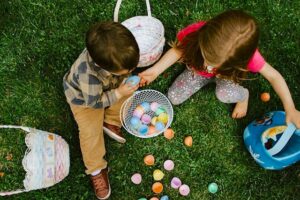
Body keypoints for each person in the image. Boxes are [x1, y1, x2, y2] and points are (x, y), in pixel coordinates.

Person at [139, 10, 300, 128]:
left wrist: (290, 108)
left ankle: (244, 96)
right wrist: (155, 70)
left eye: (215, 63)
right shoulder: (198, 31)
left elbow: (274, 77)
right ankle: (204, 78)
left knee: (223, 94)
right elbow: (178, 50)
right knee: (173, 97)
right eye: (207, 55)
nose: (209, 65)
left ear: (239, 62)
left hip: (226, 77)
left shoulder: (250, 57)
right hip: (196, 71)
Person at [63, 21, 139, 199]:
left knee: (131, 93)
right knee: (90, 132)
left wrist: (124, 82)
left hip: (108, 85)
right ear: (106, 67)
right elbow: (95, 103)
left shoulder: (113, 55)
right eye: (128, 69)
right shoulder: (88, 75)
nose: (132, 70)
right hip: (85, 100)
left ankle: (110, 121)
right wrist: (119, 92)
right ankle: (96, 168)